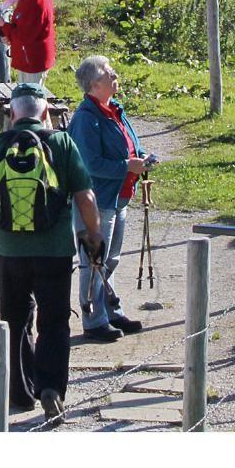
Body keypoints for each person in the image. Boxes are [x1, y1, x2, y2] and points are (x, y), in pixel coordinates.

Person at [0, 75, 103, 420]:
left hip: (10, 251)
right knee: (54, 321)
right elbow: (85, 197)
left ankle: (20, 394)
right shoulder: (63, 143)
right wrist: (94, 235)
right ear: (45, 115)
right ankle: (51, 388)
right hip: (55, 250)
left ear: (11, 113)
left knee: (14, 319)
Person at [66, 53, 150, 338]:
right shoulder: (86, 119)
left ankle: (111, 311)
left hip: (118, 197)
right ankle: (94, 321)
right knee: (93, 262)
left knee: (110, 260)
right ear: (93, 85)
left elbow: (128, 146)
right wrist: (128, 166)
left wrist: (141, 158)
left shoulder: (114, 110)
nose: (114, 76)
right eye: (107, 73)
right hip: (95, 202)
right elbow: (90, 164)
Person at [0, 0, 61, 92]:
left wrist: (2, 25)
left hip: (33, 60)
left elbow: (25, 35)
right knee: (26, 98)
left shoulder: (35, 1)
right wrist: (9, 34)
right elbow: (21, 28)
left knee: (32, 100)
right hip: (28, 58)